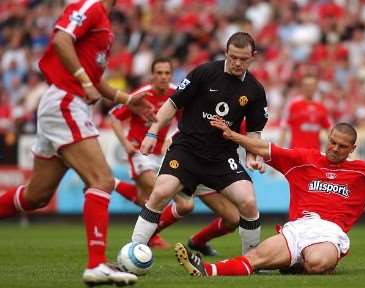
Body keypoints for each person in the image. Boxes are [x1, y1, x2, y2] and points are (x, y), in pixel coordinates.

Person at [0, 1, 155, 286]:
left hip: (64, 102)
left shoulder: (105, 21)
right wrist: (82, 81)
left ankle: (97, 264)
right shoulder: (91, 5)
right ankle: (96, 264)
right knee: (102, 180)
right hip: (66, 101)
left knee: (37, 195)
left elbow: (96, 82)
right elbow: (61, 39)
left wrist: (127, 100)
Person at [174, 119, 365, 277]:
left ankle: (298, 264)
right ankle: (206, 269)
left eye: (342, 146)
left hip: (330, 232)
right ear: (327, 138)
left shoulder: (363, 173)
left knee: (317, 263)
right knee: (256, 258)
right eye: (332, 142)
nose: (335, 149)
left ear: (352, 148)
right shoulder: (303, 160)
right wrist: (234, 136)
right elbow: (266, 148)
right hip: (299, 227)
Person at [130, 32, 269, 256]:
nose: (237, 63)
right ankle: (133, 251)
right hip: (187, 150)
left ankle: (252, 261)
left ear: (253, 56)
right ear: (226, 52)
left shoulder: (254, 90)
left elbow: (254, 133)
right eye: (233, 57)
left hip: (222, 158)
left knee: (249, 202)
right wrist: (152, 132)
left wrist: (254, 158)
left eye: (243, 59)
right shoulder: (205, 73)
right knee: (160, 192)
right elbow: (173, 104)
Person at [110, 57, 240, 255]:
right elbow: (114, 117)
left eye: (167, 73)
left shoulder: (177, 92)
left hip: (173, 155)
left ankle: (116, 187)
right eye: (159, 73)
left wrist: (172, 139)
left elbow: (187, 122)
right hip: (141, 153)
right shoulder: (142, 95)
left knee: (213, 213)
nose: (163, 77)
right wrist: (126, 143)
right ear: (152, 75)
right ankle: (140, 241)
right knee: (167, 198)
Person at [278, 74, 330, 150]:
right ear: (302, 87)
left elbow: (329, 130)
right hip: (296, 152)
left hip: (314, 154)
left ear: (316, 87)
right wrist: (279, 150)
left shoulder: (321, 107)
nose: (309, 88)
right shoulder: (293, 104)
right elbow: (283, 127)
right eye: (307, 85)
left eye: (312, 85)